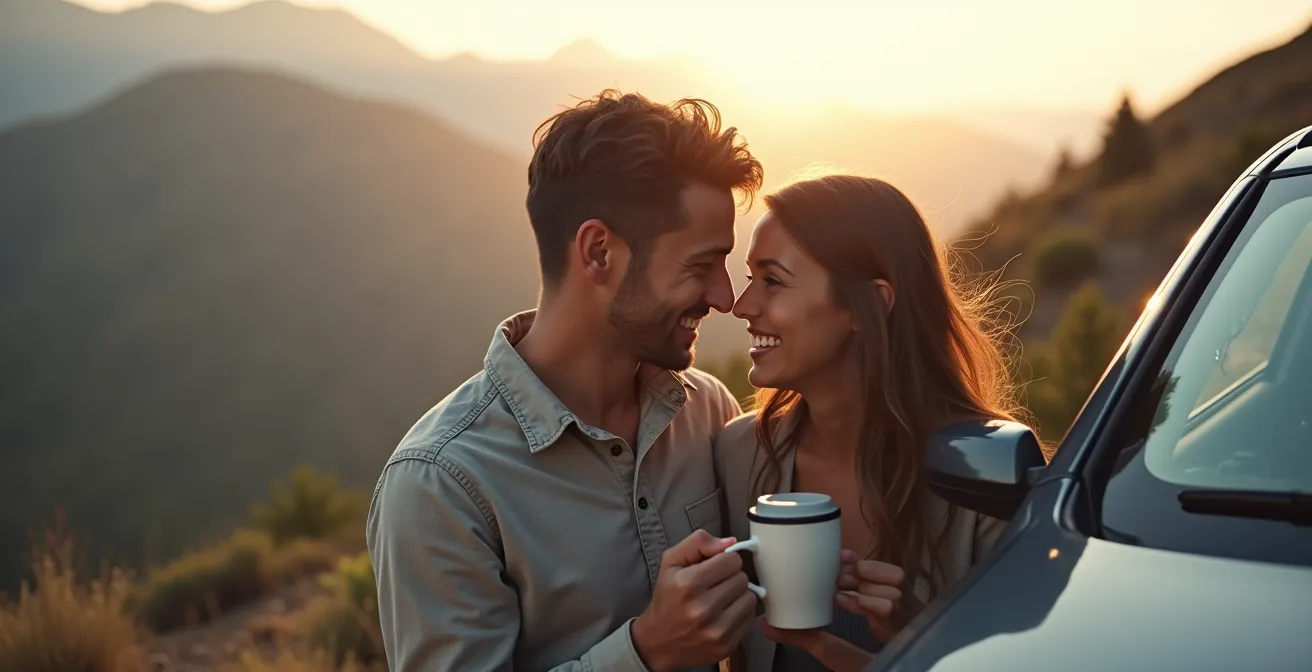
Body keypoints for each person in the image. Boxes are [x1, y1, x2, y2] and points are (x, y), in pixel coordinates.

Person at [366, 90, 765, 671]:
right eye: (701, 266)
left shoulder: (708, 410)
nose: (724, 298)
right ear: (599, 252)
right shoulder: (440, 486)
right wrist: (646, 652)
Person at [713, 174, 1031, 672]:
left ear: (868, 306)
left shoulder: (989, 475)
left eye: (772, 281)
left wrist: (925, 638)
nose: (742, 306)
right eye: (751, 278)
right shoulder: (738, 454)